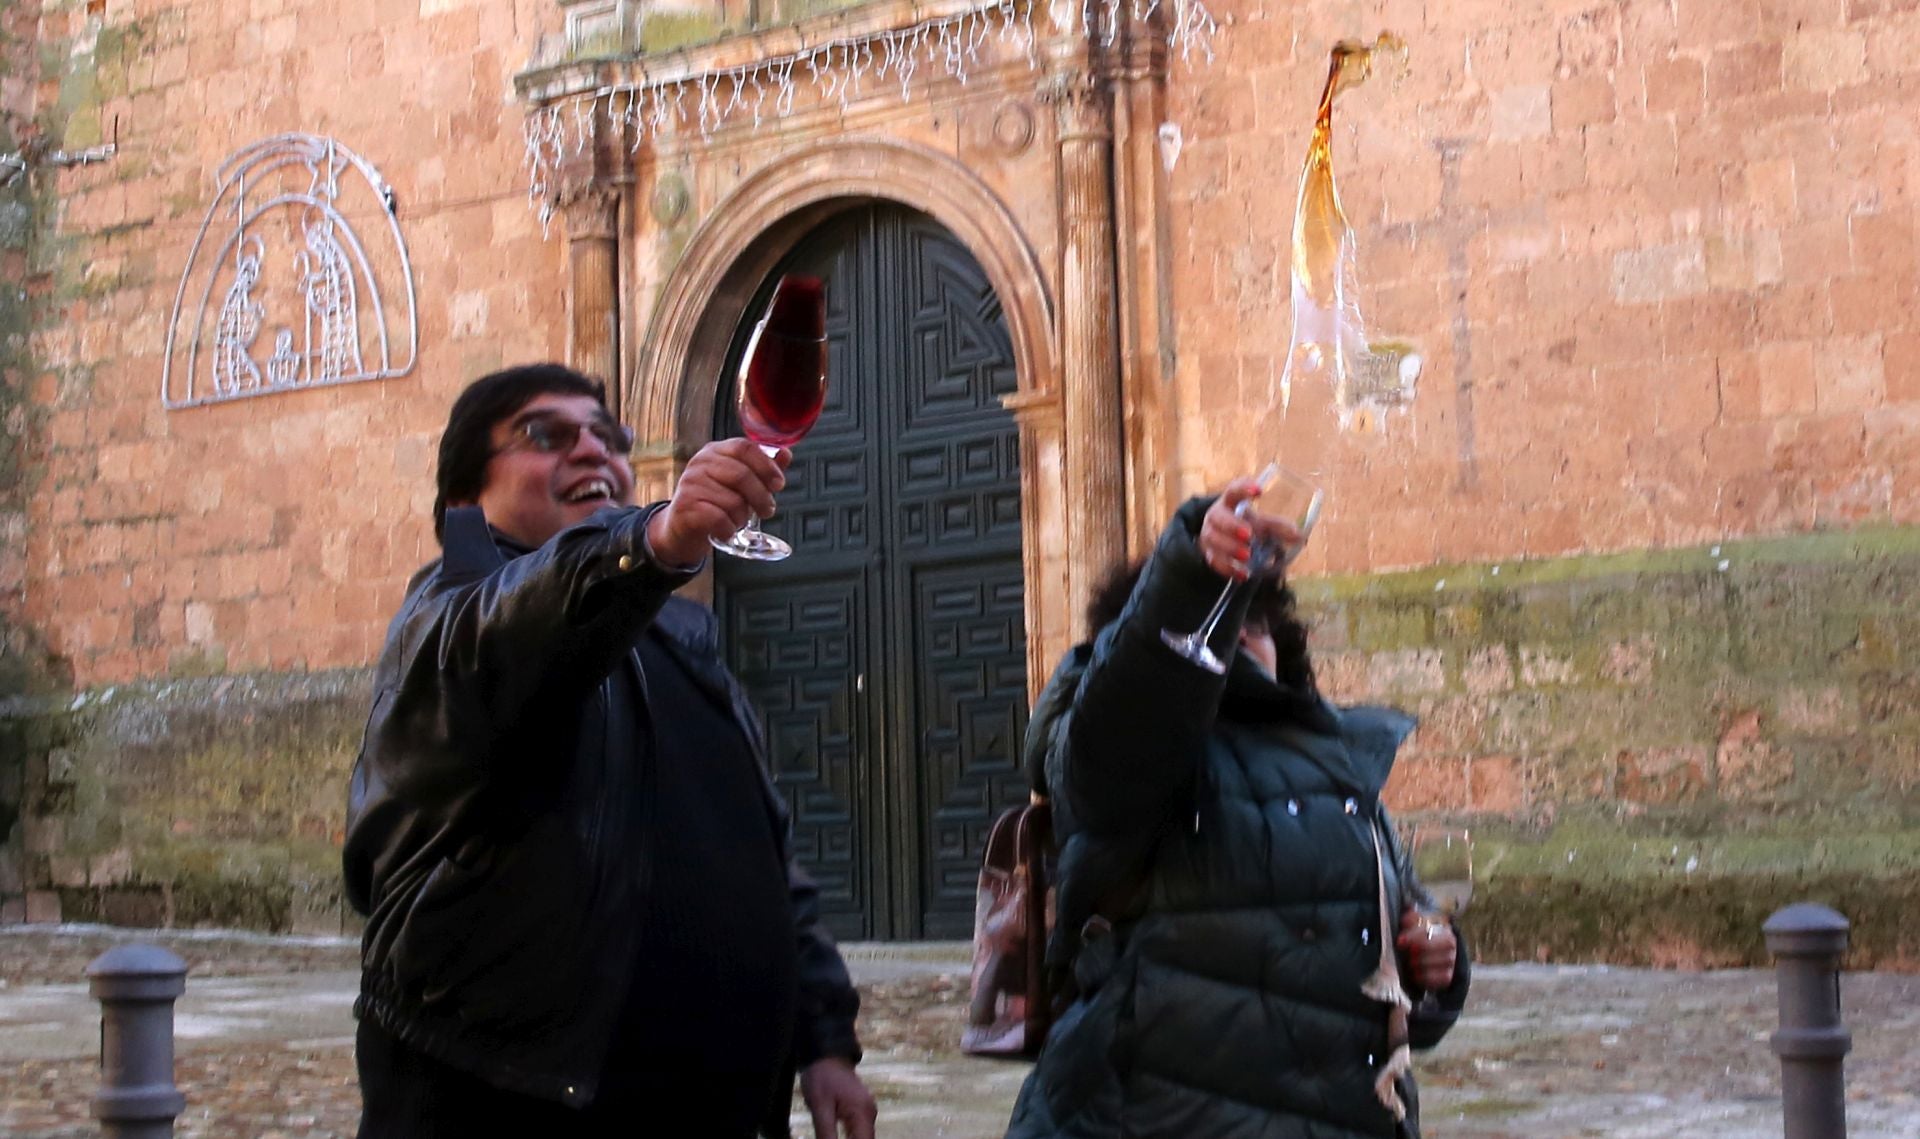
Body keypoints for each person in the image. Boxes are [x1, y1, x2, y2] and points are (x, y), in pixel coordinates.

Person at [343, 364, 878, 1139]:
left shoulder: (683, 637)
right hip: (505, 1106)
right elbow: (509, 630)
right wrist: (654, 538)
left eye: (608, 436)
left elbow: (763, 853)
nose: (592, 451)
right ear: (464, 497)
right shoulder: (448, 619)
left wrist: (825, 1040)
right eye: (545, 435)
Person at [1004, 475, 1471, 1139]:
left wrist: (1436, 969)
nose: (1242, 634)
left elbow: (1393, 978)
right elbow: (1136, 699)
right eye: (1221, 618)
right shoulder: (1126, 760)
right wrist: (1193, 572)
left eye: (1255, 620)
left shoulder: (1340, 765)